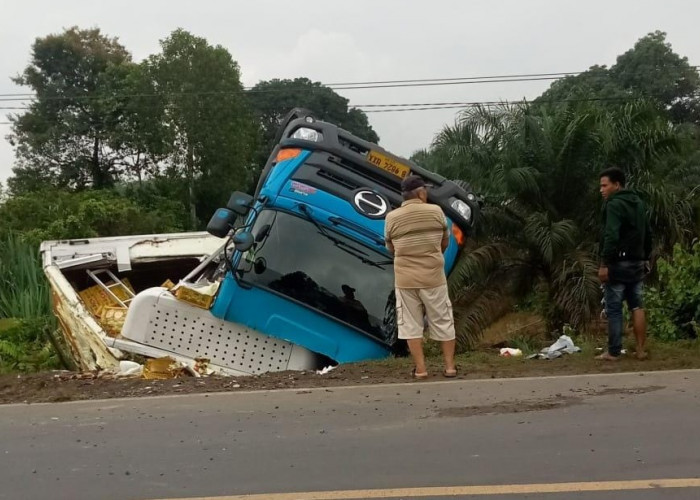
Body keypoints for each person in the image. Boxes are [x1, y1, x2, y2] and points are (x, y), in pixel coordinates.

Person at [384, 175, 457, 379]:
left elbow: (391, 248)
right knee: (443, 319)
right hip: (433, 278)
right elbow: (444, 244)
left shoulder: (392, 217)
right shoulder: (436, 212)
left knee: (410, 324)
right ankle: (450, 367)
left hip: (406, 280)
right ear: (422, 193)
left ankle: (421, 370)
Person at [597, 167, 652, 361]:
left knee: (614, 308)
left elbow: (611, 235)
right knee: (637, 305)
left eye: (605, 185)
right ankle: (640, 350)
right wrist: (646, 257)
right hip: (637, 262)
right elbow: (648, 231)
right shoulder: (638, 202)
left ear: (617, 185)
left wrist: (604, 263)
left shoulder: (614, 204)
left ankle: (613, 351)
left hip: (618, 263)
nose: (601, 190)